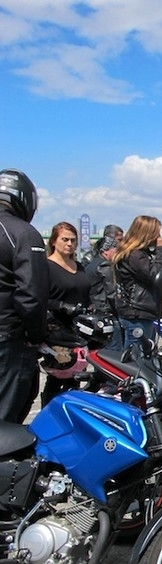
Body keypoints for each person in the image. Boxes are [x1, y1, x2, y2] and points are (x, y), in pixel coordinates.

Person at [0, 169, 49, 423]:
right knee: (7, 422)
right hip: (9, 340)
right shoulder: (23, 233)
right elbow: (32, 296)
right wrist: (37, 336)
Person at [42, 221, 92, 406]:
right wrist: (61, 306)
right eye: (65, 239)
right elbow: (39, 297)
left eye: (73, 240)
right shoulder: (46, 266)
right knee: (59, 378)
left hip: (78, 331)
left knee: (77, 378)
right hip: (56, 331)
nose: (69, 244)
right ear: (54, 241)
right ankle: (50, 413)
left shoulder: (78, 266)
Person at [113, 215, 162, 347]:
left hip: (142, 312)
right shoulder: (134, 255)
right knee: (138, 359)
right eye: (156, 233)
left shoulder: (139, 254)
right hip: (137, 313)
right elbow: (159, 276)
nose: (159, 237)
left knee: (146, 355)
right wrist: (161, 251)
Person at [85, 234, 123, 350]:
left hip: (94, 313)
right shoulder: (104, 265)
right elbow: (111, 293)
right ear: (105, 251)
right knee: (114, 350)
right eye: (115, 249)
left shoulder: (91, 265)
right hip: (106, 314)